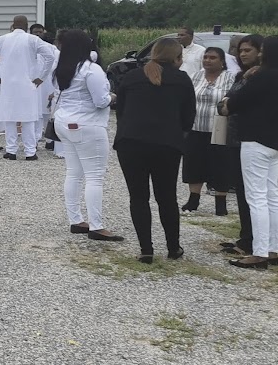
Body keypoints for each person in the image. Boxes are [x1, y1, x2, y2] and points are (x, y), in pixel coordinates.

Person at [113, 38, 195, 263]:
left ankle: (146, 249)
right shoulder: (182, 79)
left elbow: (121, 111)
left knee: (138, 197)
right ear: (177, 58)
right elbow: (189, 116)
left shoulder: (131, 77)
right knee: (166, 197)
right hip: (166, 143)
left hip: (131, 142)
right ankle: (172, 247)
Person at [224, 34, 278, 270]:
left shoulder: (263, 76)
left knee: (255, 198)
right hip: (276, 141)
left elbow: (235, 102)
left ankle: (258, 252)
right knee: (271, 197)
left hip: (255, 140)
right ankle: (273, 248)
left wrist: (229, 98)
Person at [51, 30, 122, 242]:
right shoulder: (91, 69)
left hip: (64, 122)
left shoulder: (61, 69)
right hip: (88, 125)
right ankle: (96, 225)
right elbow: (100, 101)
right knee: (94, 176)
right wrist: (113, 96)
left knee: (73, 173)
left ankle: (75, 220)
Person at [0, 17, 57, 159]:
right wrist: (41, 76)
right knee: (28, 118)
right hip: (28, 84)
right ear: (26, 26)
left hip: (8, 85)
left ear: (13, 25)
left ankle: (11, 151)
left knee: (10, 118)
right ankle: (30, 152)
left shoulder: (1, 40)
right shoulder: (33, 40)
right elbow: (50, 57)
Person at [219, 36, 263, 258]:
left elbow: (232, 103)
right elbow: (224, 103)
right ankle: (245, 235)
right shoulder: (239, 76)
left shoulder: (259, 77)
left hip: (249, 140)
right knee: (241, 191)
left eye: (248, 50)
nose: (243, 54)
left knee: (251, 193)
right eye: (240, 50)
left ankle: (252, 240)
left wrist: (229, 104)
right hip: (234, 138)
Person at [181, 47, 234, 215]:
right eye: (205, 57)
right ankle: (193, 199)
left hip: (219, 128)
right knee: (194, 163)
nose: (208, 60)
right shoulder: (196, 76)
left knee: (221, 165)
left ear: (222, 61)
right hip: (196, 127)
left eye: (212, 57)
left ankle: (220, 203)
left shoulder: (229, 78)